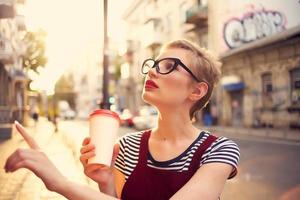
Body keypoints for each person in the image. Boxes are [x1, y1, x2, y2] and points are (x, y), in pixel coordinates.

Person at [5, 39, 240, 200]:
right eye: (155, 64)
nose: (153, 71)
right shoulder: (128, 147)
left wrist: (60, 183)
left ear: (197, 91)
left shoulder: (219, 151)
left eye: (170, 66)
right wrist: (105, 182)